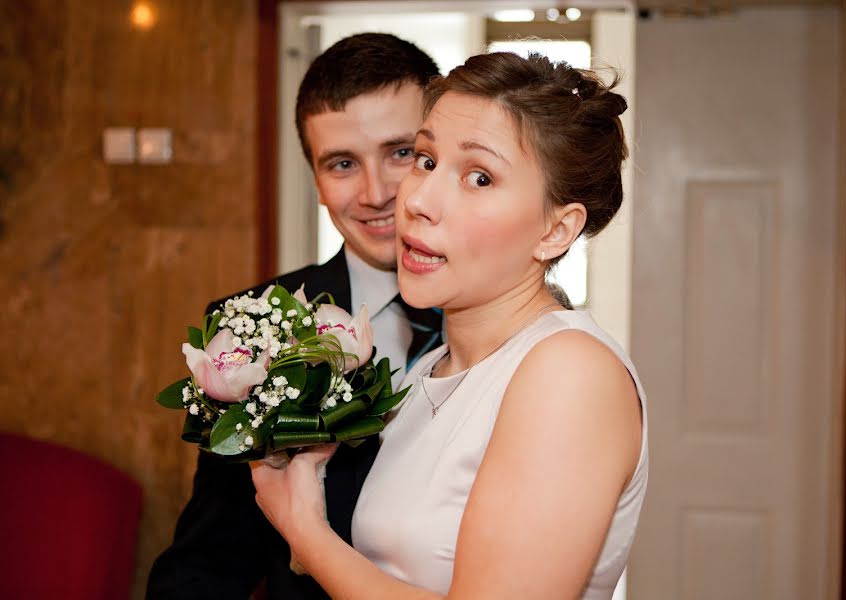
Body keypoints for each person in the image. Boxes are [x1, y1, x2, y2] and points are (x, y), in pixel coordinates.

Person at [251, 51, 648, 600]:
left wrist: (305, 531)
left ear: (557, 231)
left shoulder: (569, 373)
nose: (416, 200)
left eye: (479, 177)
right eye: (426, 159)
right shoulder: (426, 372)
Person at [147, 33, 441, 600]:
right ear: (315, 180)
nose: (376, 192)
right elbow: (211, 557)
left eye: (401, 153)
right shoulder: (247, 329)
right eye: (342, 164)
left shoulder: (517, 328)